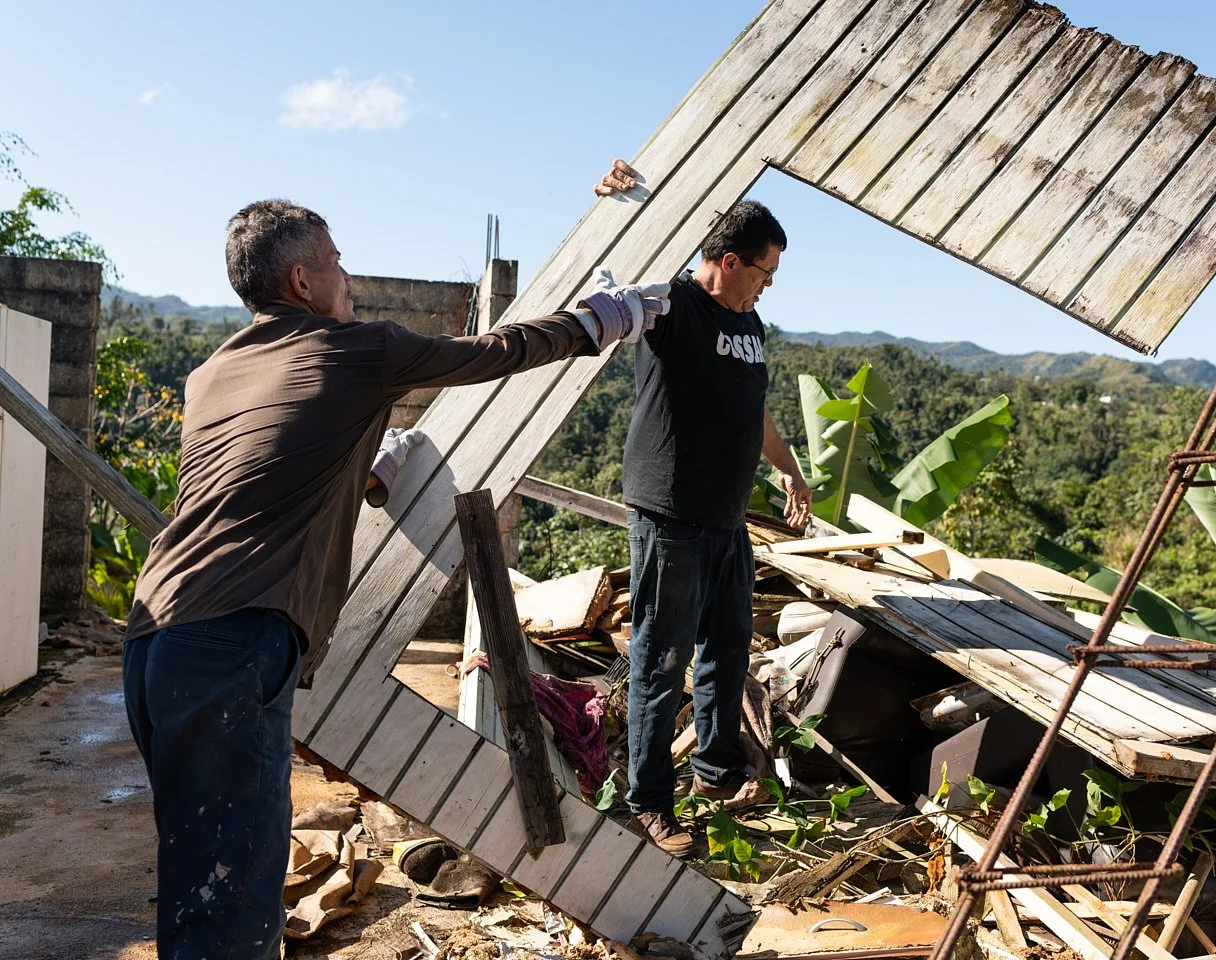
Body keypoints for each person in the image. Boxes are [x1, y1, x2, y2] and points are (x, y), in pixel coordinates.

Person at [121, 198, 666, 960]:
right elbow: (492, 353)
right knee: (235, 891)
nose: (349, 276)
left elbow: (247, 488)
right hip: (232, 642)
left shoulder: (216, 372)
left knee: (199, 869)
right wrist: (597, 322)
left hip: (155, 640)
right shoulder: (356, 350)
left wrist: (367, 476)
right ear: (303, 279)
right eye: (337, 261)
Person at [599, 160, 813, 854]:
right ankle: (650, 805)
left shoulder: (751, 325)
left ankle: (717, 770)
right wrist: (625, 198)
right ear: (725, 261)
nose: (767, 286)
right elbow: (630, 260)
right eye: (762, 271)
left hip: (726, 519)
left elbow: (756, 410)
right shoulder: (675, 306)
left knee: (725, 649)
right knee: (661, 662)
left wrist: (790, 471)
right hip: (671, 516)